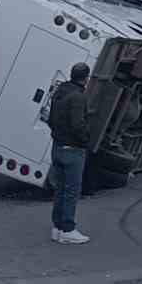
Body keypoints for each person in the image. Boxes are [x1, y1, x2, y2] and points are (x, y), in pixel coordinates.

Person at [47, 62, 92, 245]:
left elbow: (50, 119)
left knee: (60, 189)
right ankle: (68, 229)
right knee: (72, 191)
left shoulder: (60, 92)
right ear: (86, 78)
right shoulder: (78, 97)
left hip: (57, 147)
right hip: (73, 149)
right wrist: (85, 140)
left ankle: (57, 228)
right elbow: (77, 125)